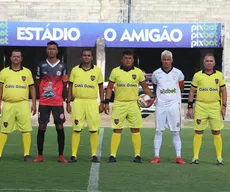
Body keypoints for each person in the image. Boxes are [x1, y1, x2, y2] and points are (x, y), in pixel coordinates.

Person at [104, 51, 154, 163]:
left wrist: (152, 97)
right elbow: (109, 88)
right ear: (122, 59)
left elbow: (144, 87)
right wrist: (106, 102)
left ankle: (137, 155)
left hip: (133, 104)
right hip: (119, 103)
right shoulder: (115, 71)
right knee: (117, 129)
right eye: (125, 58)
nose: (127, 60)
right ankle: (112, 155)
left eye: (130, 58)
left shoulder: (138, 72)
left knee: (135, 129)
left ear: (133, 60)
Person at [187, 53, 227, 165]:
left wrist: (224, 105)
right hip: (200, 106)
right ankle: (195, 157)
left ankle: (219, 158)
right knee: (198, 131)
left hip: (215, 106)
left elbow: (223, 91)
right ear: (204, 63)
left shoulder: (219, 75)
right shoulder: (197, 75)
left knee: (216, 131)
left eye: (211, 61)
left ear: (214, 63)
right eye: (207, 61)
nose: (209, 63)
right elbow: (192, 92)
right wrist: (190, 107)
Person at [67, 49, 104, 163]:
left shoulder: (97, 71)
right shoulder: (75, 70)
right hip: (78, 102)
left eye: (88, 55)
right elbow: (70, 86)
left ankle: (94, 155)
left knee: (93, 129)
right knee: (77, 129)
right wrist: (68, 102)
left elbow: (101, 87)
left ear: (92, 57)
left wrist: (102, 102)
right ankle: (73, 155)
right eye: (84, 55)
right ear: (81, 57)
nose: (86, 57)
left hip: (92, 102)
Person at [34, 41, 68, 163]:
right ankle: (40, 155)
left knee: (59, 126)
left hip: (57, 102)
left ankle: (61, 155)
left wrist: (60, 96)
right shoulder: (41, 65)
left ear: (57, 51)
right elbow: (38, 82)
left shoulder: (62, 66)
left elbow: (64, 83)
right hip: (44, 101)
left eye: (53, 49)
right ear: (46, 50)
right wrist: (44, 93)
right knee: (42, 126)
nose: (51, 51)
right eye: (49, 49)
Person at [0, 50, 36, 162]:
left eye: (18, 56)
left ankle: (26, 154)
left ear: (21, 59)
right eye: (14, 56)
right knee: (4, 130)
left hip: (22, 104)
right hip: (8, 105)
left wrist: (34, 104)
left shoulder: (27, 72)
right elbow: (0, 88)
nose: (16, 58)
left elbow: (32, 88)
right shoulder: (4, 72)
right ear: (10, 58)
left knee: (26, 130)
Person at [151, 50, 186, 164]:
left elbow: (181, 88)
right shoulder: (156, 74)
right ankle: (156, 156)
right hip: (160, 105)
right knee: (158, 131)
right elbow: (155, 87)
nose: (166, 62)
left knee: (175, 131)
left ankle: (178, 157)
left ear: (172, 60)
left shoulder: (178, 73)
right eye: (164, 59)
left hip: (173, 106)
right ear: (161, 60)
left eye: (168, 59)